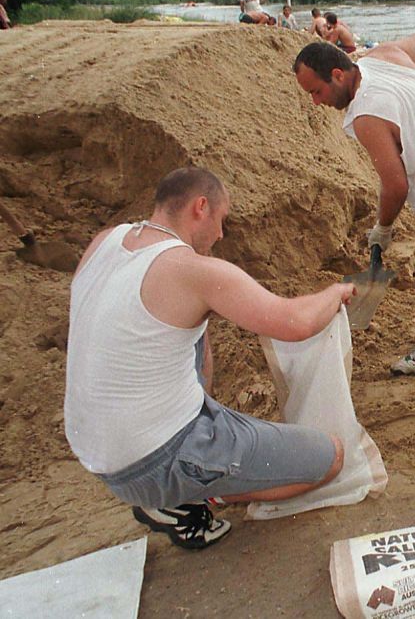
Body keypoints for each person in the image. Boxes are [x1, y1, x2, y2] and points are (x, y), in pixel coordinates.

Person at [64, 167, 355, 550]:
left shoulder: (107, 240)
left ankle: (190, 469)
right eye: (221, 220)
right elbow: (295, 322)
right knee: (329, 457)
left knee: (195, 327)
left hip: (97, 449)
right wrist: (335, 292)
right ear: (200, 207)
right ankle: (185, 499)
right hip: (155, 461)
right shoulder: (191, 271)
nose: (220, 234)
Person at [292, 36, 415, 376]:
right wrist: (370, 54)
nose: (315, 102)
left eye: (316, 92)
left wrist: (383, 228)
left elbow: (396, 185)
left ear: (338, 74)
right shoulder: (381, 56)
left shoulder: (367, 113)